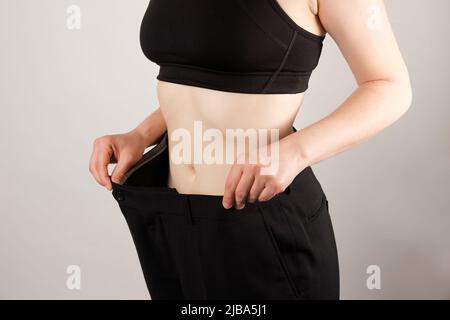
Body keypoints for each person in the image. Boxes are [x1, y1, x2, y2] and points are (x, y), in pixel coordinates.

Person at [89, 0, 412, 299]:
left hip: (259, 224)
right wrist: (140, 134)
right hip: (171, 221)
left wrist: (295, 152)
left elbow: (389, 86)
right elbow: (205, 78)